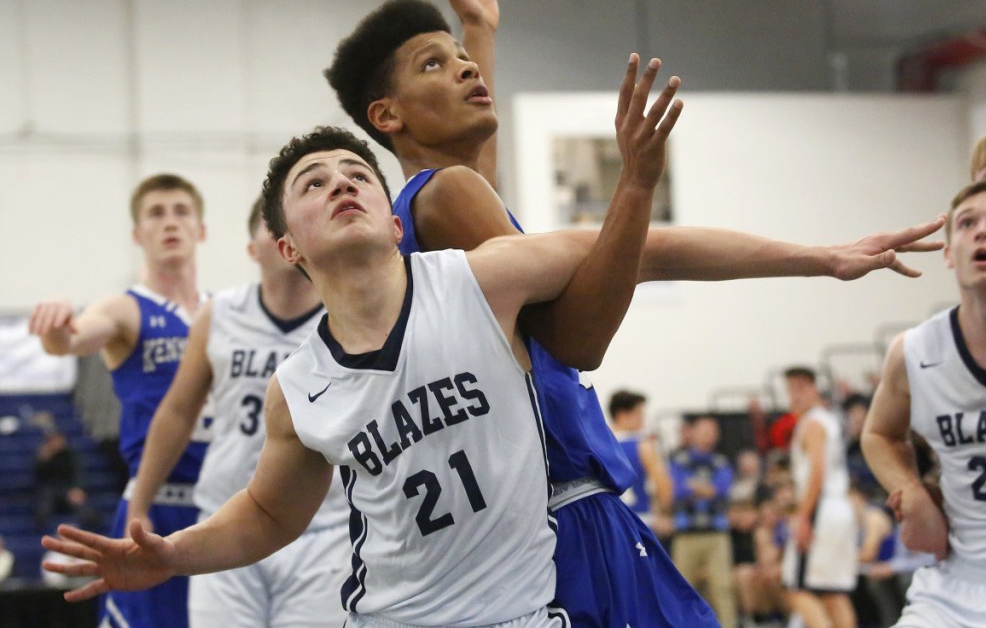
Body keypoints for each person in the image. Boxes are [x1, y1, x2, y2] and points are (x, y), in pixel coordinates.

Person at [322, 0, 945, 626]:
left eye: (462, 60)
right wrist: (639, 187)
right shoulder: (446, 196)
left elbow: (637, 245)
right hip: (565, 521)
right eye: (435, 65)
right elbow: (579, 337)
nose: (467, 70)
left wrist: (478, 32)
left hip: (531, 525)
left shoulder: (438, 207)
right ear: (386, 115)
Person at [40, 47, 682, 626]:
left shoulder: (479, 281)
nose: (340, 182)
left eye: (355, 173)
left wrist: (639, 184)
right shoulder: (297, 386)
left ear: (397, 221)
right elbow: (267, 512)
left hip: (521, 610)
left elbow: (649, 256)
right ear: (286, 245)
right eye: (312, 183)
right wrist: (174, 553)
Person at [125, 198, 349, 628]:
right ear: (253, 250)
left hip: (324, 532)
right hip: (224, 527)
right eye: (273, 226)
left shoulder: (346, 313)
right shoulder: (220, 313)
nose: (286, 232)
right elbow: (176, 412)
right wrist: (139, 503)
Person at [29, 173, 208, 628]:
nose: (170, 222)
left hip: (223, 506)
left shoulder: (226, 312)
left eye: (181, 211)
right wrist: (56, 325)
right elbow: (70, 340)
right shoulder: (126, 308)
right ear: (137, 235)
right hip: (154, 505)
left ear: (201, 230)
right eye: (156, 213)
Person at [862, 179, 986, 627]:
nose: (982, 231)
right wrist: (910, 490)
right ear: (950, 252)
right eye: (968, 223)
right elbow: (878, 434)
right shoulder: (914, 351)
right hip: (955, 585)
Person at [780, 367, 857, 628]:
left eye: (801, 388)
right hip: (838, 507)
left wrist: (803, 517)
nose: (795, 396)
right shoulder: (828, 419)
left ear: (815, 389)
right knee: (833, 593)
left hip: (821, 510)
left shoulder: (813, 422)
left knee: (796, 588)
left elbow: (817, 473)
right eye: (791, 389)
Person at [668, 416, 737, 627]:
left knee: (723, 588)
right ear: (693, 432)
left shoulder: (721, 462)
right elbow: (676, 490)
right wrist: (706, 489)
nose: (709, 436)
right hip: (685, 534)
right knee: (681, 589)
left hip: (716, 534)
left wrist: (694, 487)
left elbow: (721, 490)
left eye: (712, 431)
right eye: (704, 430)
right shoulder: (678, 461)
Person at [607, 389, 673, 537]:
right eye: (639, 413)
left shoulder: (600, 444)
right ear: (622, 415)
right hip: (641, 518)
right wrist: (665, 513)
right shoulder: (643, 445)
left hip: (611, 520)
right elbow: (663, 483)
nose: (643, 419)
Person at [34, 428, 100, 532]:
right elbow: (38, 476)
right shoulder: (44, 456)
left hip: (68, 488)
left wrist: (78, 488)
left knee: (84, 506)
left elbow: (78, 473)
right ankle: (40, 531)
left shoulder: (71, 455)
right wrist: (43, 460)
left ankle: (93, 529)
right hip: (50, 488)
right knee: (44, 505)